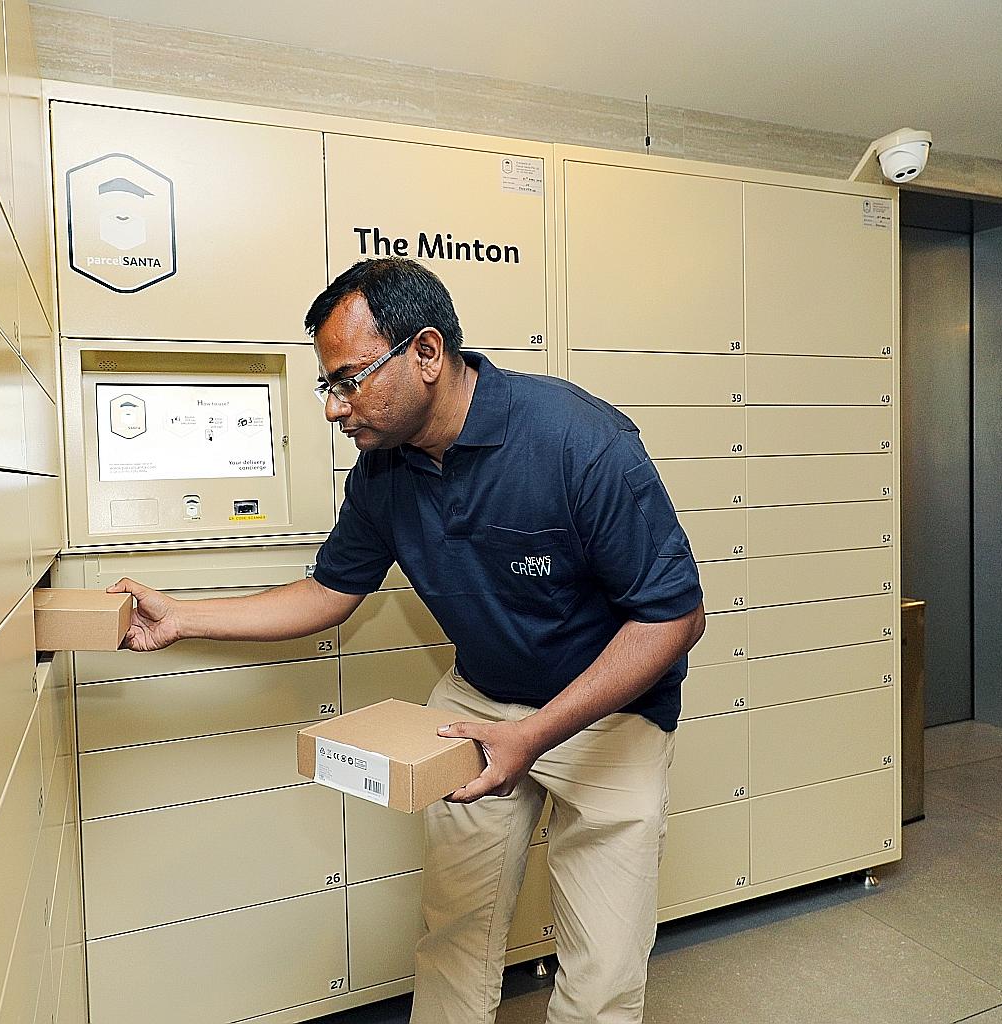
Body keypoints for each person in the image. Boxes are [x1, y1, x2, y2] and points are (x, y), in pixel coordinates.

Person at [108, 257, 704, 1023]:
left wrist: (534, 734)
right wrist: (185, 616)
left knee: (601, 976)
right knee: (455, 932)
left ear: (426, 353)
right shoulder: (382, 472)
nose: (334, 408)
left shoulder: (577, 441)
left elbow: (672, 616)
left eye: (347, 379)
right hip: (477, 701)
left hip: (606, 715)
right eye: (329, 385)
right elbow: (329, 592)